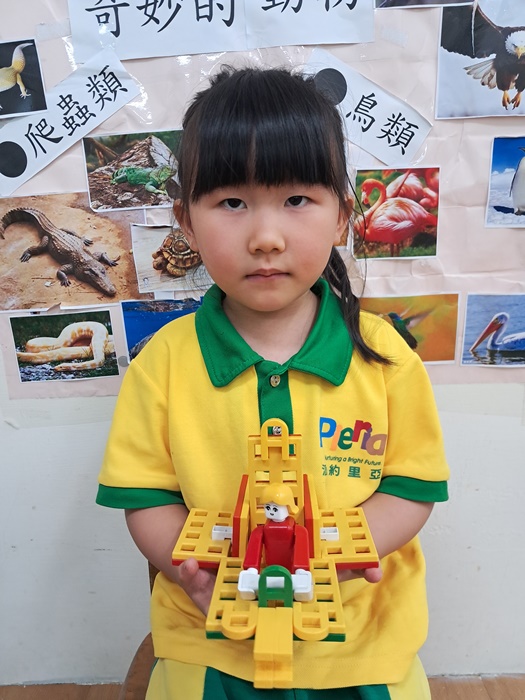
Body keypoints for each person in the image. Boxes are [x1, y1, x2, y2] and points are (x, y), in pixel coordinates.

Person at [97, 65, 449, 699]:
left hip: (363, 645)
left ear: (342, 216)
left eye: (296, 200)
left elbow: (410, 488)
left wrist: (335, 559)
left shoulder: (385, 356)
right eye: (232, 203)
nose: (265, 238)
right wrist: (195, 572)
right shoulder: (164, 361)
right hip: (210, 645)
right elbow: (146, 497)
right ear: (185, 221)